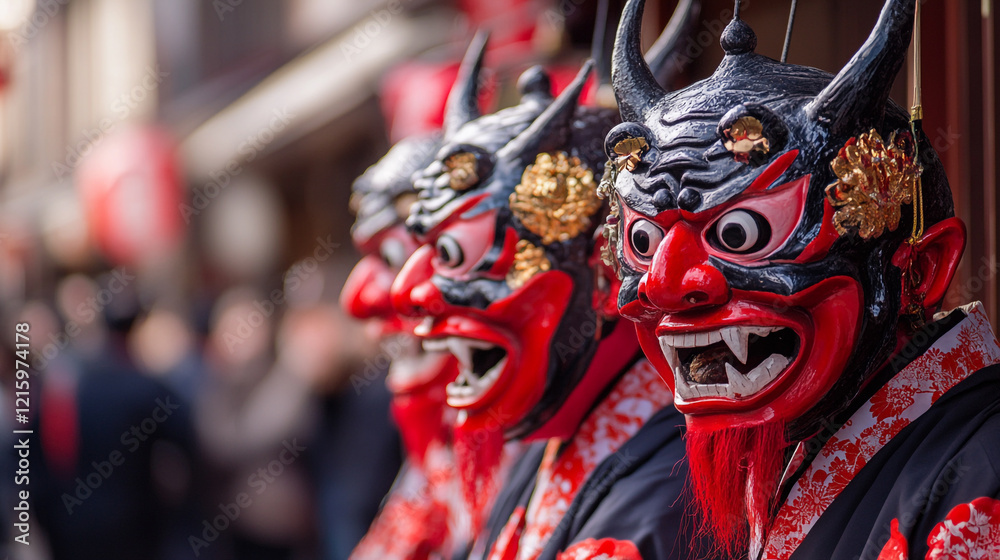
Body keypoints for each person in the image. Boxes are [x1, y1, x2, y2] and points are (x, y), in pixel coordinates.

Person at [605, 0, 1000, 558]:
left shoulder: (984, 472)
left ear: (922, 267)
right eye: (642, 242)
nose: (664, 285)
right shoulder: (801, 452)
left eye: (740, 234)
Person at [390, 27, 714, 560]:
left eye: (458, 255)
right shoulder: (553, 439)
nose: (414, 293)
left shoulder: (664, 487)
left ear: (605, 272)